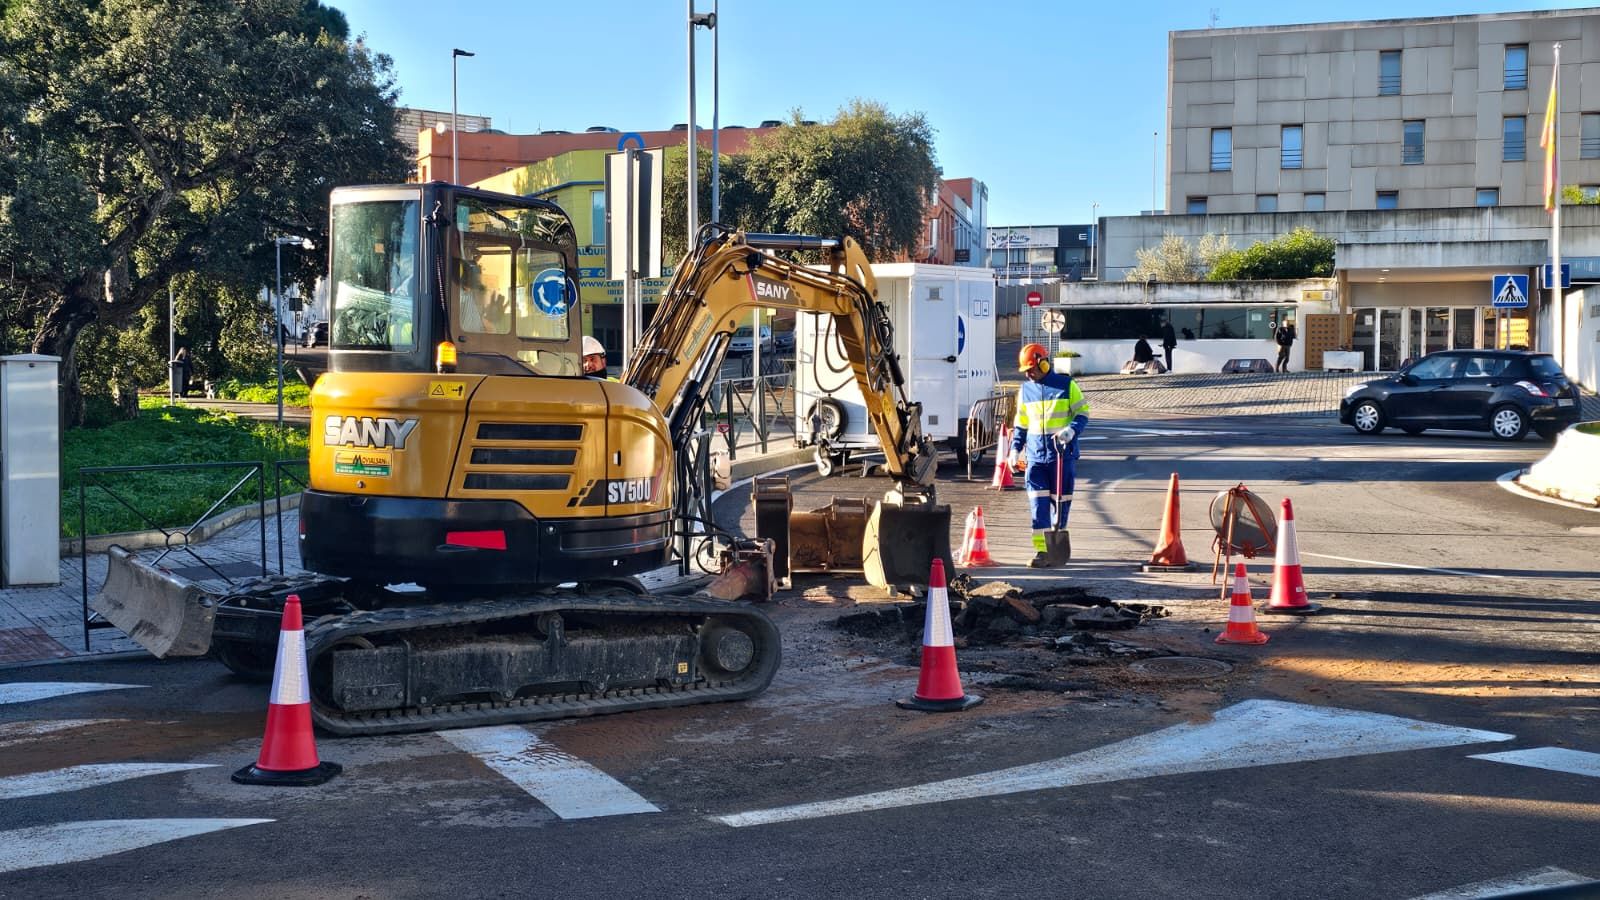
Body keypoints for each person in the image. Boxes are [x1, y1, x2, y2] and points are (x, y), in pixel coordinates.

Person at [1008, 343, 1091, 568]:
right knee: (1038, 505)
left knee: (1061, 503)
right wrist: (1015, 449)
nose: (1028, 373)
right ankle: (1042, 551)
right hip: (1035, 458)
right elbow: (1021, 425)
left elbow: (1083, 413)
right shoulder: (1025, 391)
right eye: (1025, 370)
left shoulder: (1067, 385)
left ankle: (1056, 542)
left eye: (1031, 368)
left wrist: (1071, 430)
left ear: (1044, 363)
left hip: (1061, 457)